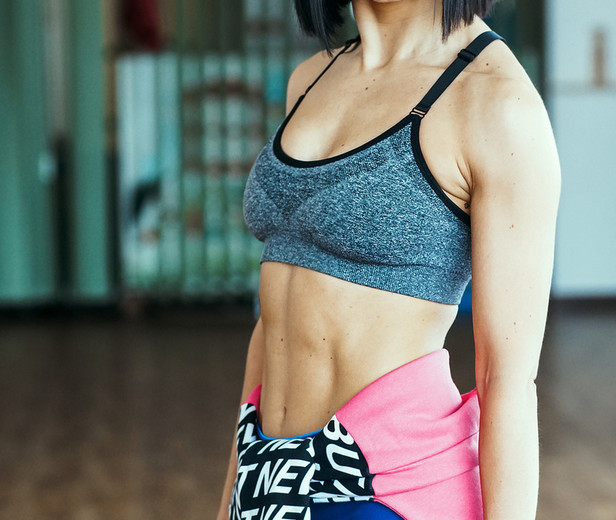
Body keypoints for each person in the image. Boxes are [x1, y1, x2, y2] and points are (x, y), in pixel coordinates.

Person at [217, 0, 560, 518]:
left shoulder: (496, 104)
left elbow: (506, 381)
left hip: (383, 490)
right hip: (267, 471)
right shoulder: (311, 79)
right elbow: (277, 317)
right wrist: (233, 494)